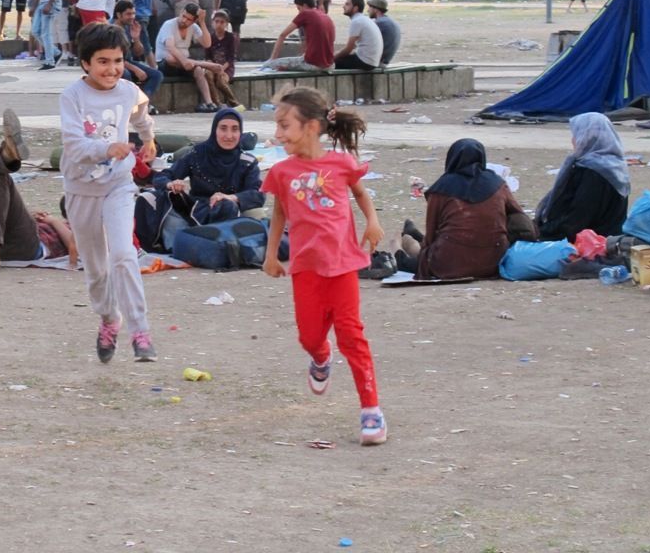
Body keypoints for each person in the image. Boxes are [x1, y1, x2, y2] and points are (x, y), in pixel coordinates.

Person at [261, 86, 387, 446]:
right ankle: (320, 357)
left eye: (285, 125)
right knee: (309, 336)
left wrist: (372, 222)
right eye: (278, 126)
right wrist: (271, 256)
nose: (278, 134)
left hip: (343, 266)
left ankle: (371, 410)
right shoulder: (282, 172)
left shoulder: (341, 163)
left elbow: (361, 192)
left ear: (312, 127)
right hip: (306, 269)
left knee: (352, 336)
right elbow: (279, 213)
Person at [60, 22, 158, 363]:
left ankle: (141, 331)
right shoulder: (72, 96)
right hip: (81, 189)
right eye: (103, 61)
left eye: (117, 60)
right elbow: (74, 146)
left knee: (123, 255)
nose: (111, 69)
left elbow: (142, 113)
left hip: (118, 183)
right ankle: (108, 319)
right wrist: (107, 147)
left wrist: (148, 139)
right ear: (86, 63)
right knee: (98, 268)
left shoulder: (129, 91)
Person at [393, 138, 526, 279]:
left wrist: (425, 258)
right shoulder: (498, 184)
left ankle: (396, 243)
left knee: (409, 262)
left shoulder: (441, 189)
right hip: (493, 262)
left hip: (450, 263)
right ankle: (412, 236)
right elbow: (520, 218)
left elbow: (432, 232)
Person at [0, 109, 77, 273]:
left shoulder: (85, 226)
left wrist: (53, 221)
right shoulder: (61, 222)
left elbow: (76, 246)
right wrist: (27, 216)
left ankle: (7, 156)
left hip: (28, 249)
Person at [151, 107, 265, 250]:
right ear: (214, 130)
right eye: (223, 128)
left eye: (235, 129)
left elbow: (258, 195)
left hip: (230, 213)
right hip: (195, 211)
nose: (229, 135)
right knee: (159, 198)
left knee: (230, 207)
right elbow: (161, 177)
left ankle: (216, 246)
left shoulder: (246, 161)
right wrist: (171, 184)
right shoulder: (197, 154)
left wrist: (231, 197)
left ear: (240, 133)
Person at [535, 112, 630, 241]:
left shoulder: (595, 172)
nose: (573, 140)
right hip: (602, 235)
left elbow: (578, 219)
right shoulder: (614, 165)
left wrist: (542, 232)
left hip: (590, 241)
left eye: (576, 134)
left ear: (587, 137)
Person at [155, 3, 226, 113]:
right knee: (170, 58)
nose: (184, 21)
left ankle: (209, 102)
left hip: (186, 63)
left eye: (188, 19)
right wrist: (184, 61)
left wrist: (202, 22)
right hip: (166, 64)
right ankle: (205, 64)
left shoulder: (193, 27)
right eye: (183, 16)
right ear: (181, 12)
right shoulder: (168, 25)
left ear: (193, 21)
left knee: (198, 70)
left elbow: (207, 43)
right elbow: (171, 47)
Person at [264, 0, 335, 72]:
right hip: (330, 65)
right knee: (295, 61)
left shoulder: (305, 14)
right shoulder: (324, 15)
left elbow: (282, 35)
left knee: (269, 65)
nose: (298, 12)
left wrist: (272, 60)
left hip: (313, 64)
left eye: (299, 8)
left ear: (304, 5)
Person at [112, 0, 163, 107]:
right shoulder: (112, 30)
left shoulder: (128, 27)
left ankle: (142, 103)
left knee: (157, 75)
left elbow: (139, 52)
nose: (132, 17)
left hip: (128, 61)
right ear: (118, 15)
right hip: (114, 63)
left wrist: (136, 38)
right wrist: (136, 69)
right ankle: (128, 104)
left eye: (133, 13)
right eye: (128, 14)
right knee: (126, 74)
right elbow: (114, 58)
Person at [334, 0, 383, 70]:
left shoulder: (357, 21)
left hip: (365, 62)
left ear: (355, 8)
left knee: (330, 64)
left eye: (347, 4)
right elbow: (353, 46)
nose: (343, 6)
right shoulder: (363, 19)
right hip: (372, 62)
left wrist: (333, 57)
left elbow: (348, 49)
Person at [206, 8, 241, 83]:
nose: (219, 24)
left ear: (226, 24)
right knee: (208, 77)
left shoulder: (230, 37)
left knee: (221, 81)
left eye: (222, 22)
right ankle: (214, 95)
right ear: (212, 23)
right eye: (217, 21)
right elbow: (208, 56)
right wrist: (214, 67)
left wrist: (222, 68)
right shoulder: (209, 37)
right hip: (213, 67)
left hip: (227, 68)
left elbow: (231, 58)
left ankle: (229, 95)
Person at [367, 0, 401, 66]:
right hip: (385, 61)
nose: (368, 10)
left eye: (370, 7)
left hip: (377, 62)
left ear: (376, 9)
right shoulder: (389, 21)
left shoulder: (379, 23)